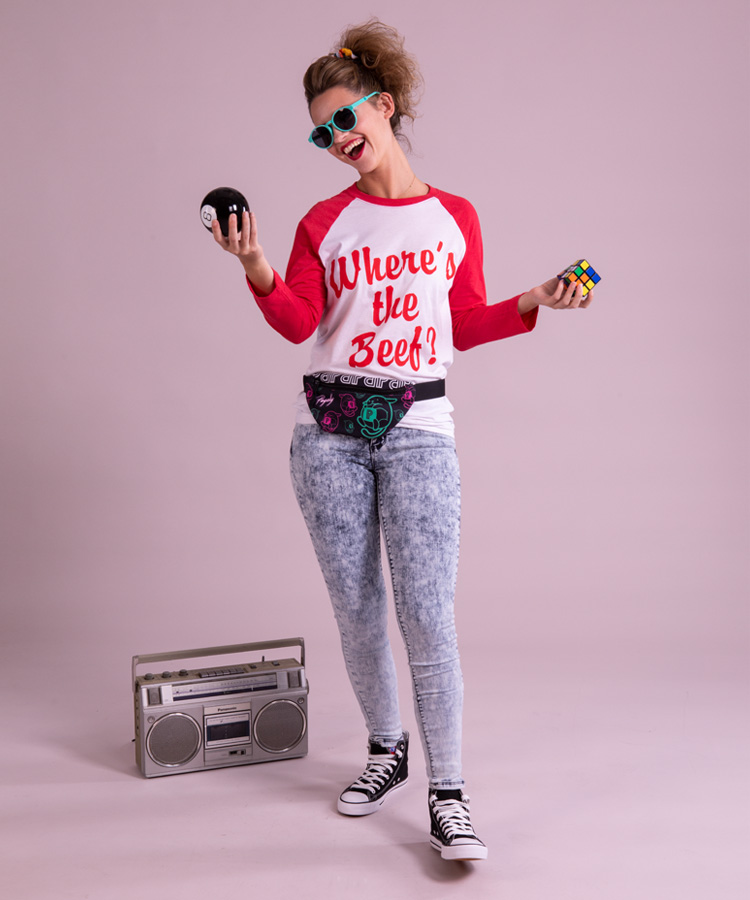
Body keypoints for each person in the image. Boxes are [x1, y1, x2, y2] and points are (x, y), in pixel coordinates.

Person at [211, 20, 594, 862]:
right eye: (321, 132)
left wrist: (536, 299)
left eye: (345, 120)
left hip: (419, 429)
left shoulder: (454, 216)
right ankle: (388, 751)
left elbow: (462, 322)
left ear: (382, 106)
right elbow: (300, 322)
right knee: (356, 610)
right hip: (330, 436)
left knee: (428, 614)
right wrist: (257, 268)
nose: (337, 140)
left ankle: (449, 793)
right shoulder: (322, 222)